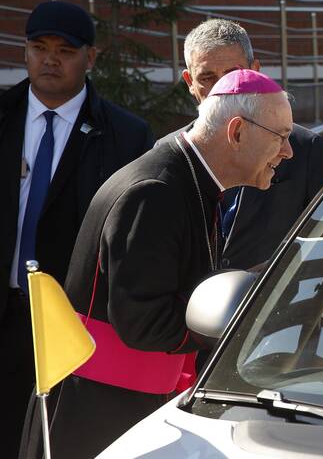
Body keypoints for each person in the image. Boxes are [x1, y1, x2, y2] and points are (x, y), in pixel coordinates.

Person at [22, 69, 293, 458]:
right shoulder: (156, 193)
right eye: (281, 137)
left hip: (130, 400)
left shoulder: (188, 178)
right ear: (236, 133)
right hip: (98, 413)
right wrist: (242, 311)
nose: (288, 152)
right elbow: (144, 323)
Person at [0, 1, 153, 458]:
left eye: (65, 50)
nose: (50, 59)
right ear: (24, 52)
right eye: (38, 47)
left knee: (59, 440)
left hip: (74, 322)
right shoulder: (3, 117)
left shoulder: (125, 136)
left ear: (91, 57)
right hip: (6, 311)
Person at [156, 18, 323, 270]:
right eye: (207, 77)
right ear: (189, 82)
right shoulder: (166, 156)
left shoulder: (304, 150)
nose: (221, 88)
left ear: (256, 71)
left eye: (232, 74)